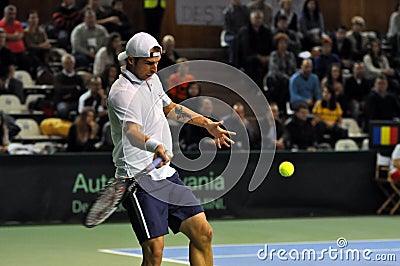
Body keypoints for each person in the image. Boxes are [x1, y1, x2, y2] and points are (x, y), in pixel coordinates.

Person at [108, 32, 234, 265]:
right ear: (131, 60)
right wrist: (155, 145)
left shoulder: (152, 80)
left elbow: (171, 108)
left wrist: (206, 123)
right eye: (149, 64)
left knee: (203, 233)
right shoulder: (122, 93)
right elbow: (132, 132)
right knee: (155, 253)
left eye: (157, 63)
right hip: (138, 179)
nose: (155, 69)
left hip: (165, 175)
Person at [236, 9, 273, 89]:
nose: (258, 20)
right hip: (249, 59)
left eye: (260, 18)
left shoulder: (266, 31)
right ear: (251, 19)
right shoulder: (245, 31)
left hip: (265, 58)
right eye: (256, 18)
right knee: (255, 64)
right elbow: (246, 49)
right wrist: (258, 57)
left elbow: (270, 46)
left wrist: (267, 57)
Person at [0, 5, 36, 78]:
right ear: (5, 14)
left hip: (20, 52)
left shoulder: (17, 24)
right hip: (8, 52)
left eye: (14, 14)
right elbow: (13, 37)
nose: (12, 16)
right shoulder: (0, 24)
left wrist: (7, 36)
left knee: (31, 62)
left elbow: (19, 36)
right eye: (10, 14)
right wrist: (13, 36)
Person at [265, 32, 297, 112]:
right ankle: (279, 107)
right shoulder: (274, 55)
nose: (283, 45)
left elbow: (293, 68)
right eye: (281, 43)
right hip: (275, 78)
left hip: (287, 79)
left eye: (284, 43)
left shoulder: (290, 55)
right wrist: (287, 77)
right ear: (277, 44)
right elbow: (274, 69)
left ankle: (286, 107)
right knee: (282, 82)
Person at [0, 28, 24, 103]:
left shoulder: (7, 51)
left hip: (5, 77)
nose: (1, 39)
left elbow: (11, 68)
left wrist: (8, 79)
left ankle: (20, 105)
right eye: (0, 37)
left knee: (18, 84)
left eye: (3, 37)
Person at [223, 0, 250, 66]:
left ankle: (245, 63)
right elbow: (227, 27)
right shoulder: (227, 11)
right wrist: (236, 33)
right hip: (230, 34)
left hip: (243, 33)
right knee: (234, 41)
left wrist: (242, 32)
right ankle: (232, 62)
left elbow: (248, 23)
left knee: (245, 40)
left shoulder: (245, 10)